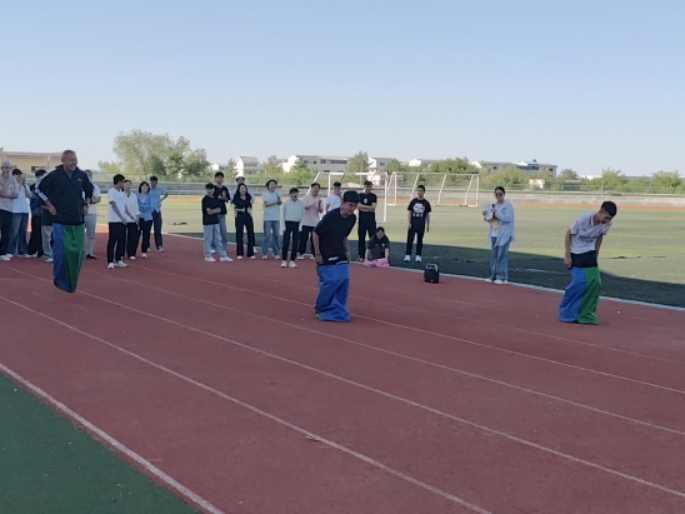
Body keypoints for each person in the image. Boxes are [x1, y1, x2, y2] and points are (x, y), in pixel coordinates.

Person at [35, 150, 94, 291]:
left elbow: (89, 190)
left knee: (76, 253)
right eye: (71, 160)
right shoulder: (54, 175)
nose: (74, 162)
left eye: (75, 159)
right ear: (63, 161)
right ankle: (60, 280)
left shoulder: (81, 175)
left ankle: (71, 283)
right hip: (60, 220)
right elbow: (38, 189)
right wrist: (49, 204)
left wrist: (86, 204)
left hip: (78, 220)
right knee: (62, 252)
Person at [558, 201, 618, 325]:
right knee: (579, 282)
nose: (607, 221)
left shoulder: (607, 223)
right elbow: (569, 234)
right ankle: (567, 312)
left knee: (595, 282)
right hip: (575, 252)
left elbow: (600, 236)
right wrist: (567, 256)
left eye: (610, 219)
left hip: (589, 252)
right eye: (606, 217)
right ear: (600, 212)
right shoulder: (583, 219)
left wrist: (596, 254)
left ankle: (586, 314)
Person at [313, 190, 359, 322]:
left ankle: (337, 307)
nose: (352, 209)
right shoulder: (331, 216)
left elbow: (344, 236)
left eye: (355, 206)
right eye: (350, 205)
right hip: (325, 250)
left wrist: (347, 252)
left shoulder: (352, 218)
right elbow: (316, 233)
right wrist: (317, 253)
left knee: (343, 280)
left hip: (339, 250)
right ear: (342, 202)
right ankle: (321, 306)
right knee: (330, 281)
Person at [483, 186, 515, 285]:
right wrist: (486, 215)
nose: (498, 196)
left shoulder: (507, 206)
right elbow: (491, 219)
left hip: (504, 234)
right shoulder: (493, 205)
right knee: (494, 256)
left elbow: (507, 218)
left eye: (500, 194)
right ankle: (493, 275)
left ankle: (502, 276)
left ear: (504, 195)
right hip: (494, 232)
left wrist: (496, 212)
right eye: (496, 194)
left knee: (501, 256)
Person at [106, 174, 132, 270]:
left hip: (122, 220)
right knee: (113, 240)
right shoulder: (111, 191)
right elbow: (113, 205)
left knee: (122, 240)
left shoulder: (121, 193)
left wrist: (129, 215)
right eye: (123, 182)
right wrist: (121, 217)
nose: (124, 184)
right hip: (114, 220)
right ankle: (110, 260)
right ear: (119, 182)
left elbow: (124, 206)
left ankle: (119, 258)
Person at [202, 183, 232, 263]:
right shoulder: (205, 200)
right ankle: (208, 255)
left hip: (215, 221)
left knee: (218, 239)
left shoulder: (215, 199)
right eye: (208, 189)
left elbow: (219, 209)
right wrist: (215, 210)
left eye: (211, 189)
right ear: (206, 190)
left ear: (214, 190)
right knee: (208, 239)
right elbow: (209, 212)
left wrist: (214, 210)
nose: (210, 191)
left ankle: (223, 255)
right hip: (208, 222)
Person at [404, 185, 431, 263]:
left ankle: (418, 255)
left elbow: (427, 215)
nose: (419, 192)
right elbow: (410, 212)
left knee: (420, 240)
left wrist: (428, 225)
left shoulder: (426, 203)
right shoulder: (413, 202)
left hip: (421, 224)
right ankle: (408, 255)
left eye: (421, 191)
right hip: (413, 224)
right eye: (418, 190)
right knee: (410, 239)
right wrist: (409, 223)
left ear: (424, 192)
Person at [8, 169, 31, 258]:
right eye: (17, 175)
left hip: (24, 210)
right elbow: (14, 194)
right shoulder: (11, 185)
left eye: (20, 175)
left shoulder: (25, 186)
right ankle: (10, 250)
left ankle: (23, 251)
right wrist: (20, 185)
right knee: (14, 231)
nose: (19, 177)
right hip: (15, 211)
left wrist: (24, 186)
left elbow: (30, 196)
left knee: (23, 231)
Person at [230, 176, 256, 254]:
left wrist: (249, 207)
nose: (241, 181)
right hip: (239, 215)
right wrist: (240, 209)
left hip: (248, 215)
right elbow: (232, 202)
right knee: (239, 234)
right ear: (236, 182)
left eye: (242, 180)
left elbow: (252, 200)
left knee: (250, 233)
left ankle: (252, 249)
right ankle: (239, 252)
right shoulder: (234, 192)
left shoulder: (248, 191)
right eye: (239, 180)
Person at [298, 182, 324, 259]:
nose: (316, 190)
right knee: (303, 238)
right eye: (314, 188)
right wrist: (314, 203)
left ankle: (313, 253)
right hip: (305, 222)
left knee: (314, 239)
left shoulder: (320, 200)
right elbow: (304, 207)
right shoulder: (306, 197)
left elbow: (321, 211)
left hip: (315, 222)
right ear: (311, 188)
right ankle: (301, 253)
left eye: (317, 189)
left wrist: (318, 205)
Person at [0, 161, 19, 261]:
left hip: (9, 209)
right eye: (5, 167)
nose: (7, 170)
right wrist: (5, 181)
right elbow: (2, 193)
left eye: (9, 168)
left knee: (6, 232)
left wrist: (7, 196)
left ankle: (3, 252)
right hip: (0, 207)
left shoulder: (13, 179)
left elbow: (16, 194)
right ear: (2, 168)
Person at [281, 187, 304, 268]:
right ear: (290, 194)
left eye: (296, 193)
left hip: (296, 223)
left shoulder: (301, 203)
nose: (295, 195)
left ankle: (292, 261)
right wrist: (283, 226)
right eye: (293, 193)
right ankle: (284, 260)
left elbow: (303, 215)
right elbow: (283, 215)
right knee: (286, 243)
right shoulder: (286, 203)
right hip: (287, 223)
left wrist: (300, 226)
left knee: (295, 243)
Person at [27, 169, 47, 257]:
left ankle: (42, 250)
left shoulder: (48, 186)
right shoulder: (33, 186)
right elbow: (32, 198)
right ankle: (32, 250)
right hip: (36, 212)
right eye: (39, 176)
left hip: (45, 212)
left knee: (45, 233)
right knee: (36, 231)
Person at [356, 180, 377, 262]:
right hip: (362, 220)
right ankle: (361, 255)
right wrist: (368, 208)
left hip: (371, 220)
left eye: (369, 186)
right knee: (361, 237)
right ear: (364, 186)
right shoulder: (359, 196)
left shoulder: (373, 196)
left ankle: (373, 254)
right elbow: (358, 206)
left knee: (372, 237)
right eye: (367, 186)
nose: (368, 188)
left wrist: (363, 207)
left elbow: (373, 207)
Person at [83, 169, 102, 260]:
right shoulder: (79, 186)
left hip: (92, 213)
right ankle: (81, 251)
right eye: (86, 175)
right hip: (81, 213)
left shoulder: (95, 187)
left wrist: (88, 201)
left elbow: (98, 199)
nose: (89, 177)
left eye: (90, 175)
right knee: (80, 234)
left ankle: (89, 252)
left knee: (91, 234)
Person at [261, 179, 282, 259]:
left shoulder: (278, 193)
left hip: (276, 217)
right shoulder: (265, 194)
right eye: (271, 184)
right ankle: (264, 253)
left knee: (276, 235)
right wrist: (275, 201)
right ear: (268, 186)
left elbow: (280, 203)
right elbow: (266, 204)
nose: (273, 186)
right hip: (267, 218)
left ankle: (276, 252)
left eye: (274, 184)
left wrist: (278, 200)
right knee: (266, 236)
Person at [213, 171, 230, 254]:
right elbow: (214, 197)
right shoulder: (213, 188)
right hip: (214, 211)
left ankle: (223, 245)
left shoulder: (225, 189)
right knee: (214, 230)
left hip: (222, 211)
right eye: (218, 177)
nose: (219, 179)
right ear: (215, 178)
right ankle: (213, 246)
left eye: (221, 177)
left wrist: (224, 197)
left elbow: (227, 200)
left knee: (222, 230)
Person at [149, 176, 167, 252]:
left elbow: (166, 193)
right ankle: (147, 246)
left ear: (156, 182)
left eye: (154, 181)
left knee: (158, 229)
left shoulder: (159, 188)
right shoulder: (148, 189)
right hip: (149, 211)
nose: (153, 183)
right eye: (152, 181)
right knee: (147, 230)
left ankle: (159, 246)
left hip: (157, 210)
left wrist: (161, 200)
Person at [123, 180, 140, 260]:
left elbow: (136, 207)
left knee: (133, 237)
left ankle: (131, 253)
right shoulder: (120, 195)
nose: (128, 186)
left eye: (129, 184)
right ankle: (121, 253)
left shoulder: (133, 196)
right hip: (123, 219)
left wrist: (137, 216)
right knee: (122, 237)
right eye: (126, 184)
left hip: (132, 219)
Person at [137, 181, 154, 259]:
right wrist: (144, 207)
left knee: (146, 235)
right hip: (139, 218)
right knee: (136, 235)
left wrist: (142, 207)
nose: (144, 187)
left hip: (148, 218)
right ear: (140, 187)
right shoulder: (136, 196)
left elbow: (151, 207)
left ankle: (144, 251)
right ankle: (132, 251)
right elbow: (136, 206)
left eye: (146, 186)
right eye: (143, 186)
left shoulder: (150, 196)